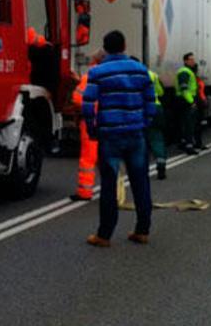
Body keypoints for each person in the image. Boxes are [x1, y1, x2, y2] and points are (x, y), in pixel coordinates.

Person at [82, 30, 156, 247]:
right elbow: (150, 102)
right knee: (140, 183)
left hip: (110, 135)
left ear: (105, 48)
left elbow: (88, 105)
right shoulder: (141, 70)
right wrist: (145, 123)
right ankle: (142, 231)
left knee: (108, 185)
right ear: (124, 45)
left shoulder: (98, 72)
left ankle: (104, 235)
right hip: (135, 135)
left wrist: (91, 128)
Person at [69, 50, 105, 201]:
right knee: (107, 157)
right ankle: (113, 191)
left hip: (91, 121)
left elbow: (77, 99)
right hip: (109, 121)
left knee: (88, 159)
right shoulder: (113, 75)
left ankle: (85, 192)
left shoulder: (90, 75)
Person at [132, 58, 168, 180]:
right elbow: (161, 92)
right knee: (157, 137)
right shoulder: (152, 74)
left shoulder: (132, 75)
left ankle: (142, 170)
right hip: (157, 108)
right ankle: (161, 164)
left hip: (141, 109)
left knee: (142, 140)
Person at [176, 53, 200, 155]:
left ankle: (184, 142)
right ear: (185, 61)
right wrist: (191, 102)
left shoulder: (187, 71)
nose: (193, 61)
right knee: (189, 124)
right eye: (191, 60)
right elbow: (184, 89)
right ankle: (189, 146)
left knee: (185, 123)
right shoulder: (184, 72)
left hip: (184, 100)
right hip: (186, 100)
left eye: (193, 59)